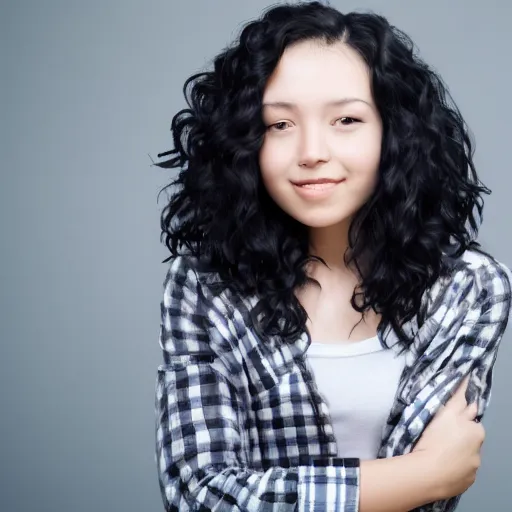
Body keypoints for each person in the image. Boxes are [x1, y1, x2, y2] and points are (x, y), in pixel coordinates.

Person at [153, 2, 511, 511]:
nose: (312, 150)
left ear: (395, 133)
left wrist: (422, 481)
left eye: (346, 119)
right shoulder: (203, 285)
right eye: (279, 125)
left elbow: (434, 494)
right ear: (243, 142)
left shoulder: (469, 289)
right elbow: (200, 495)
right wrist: (416, 477)